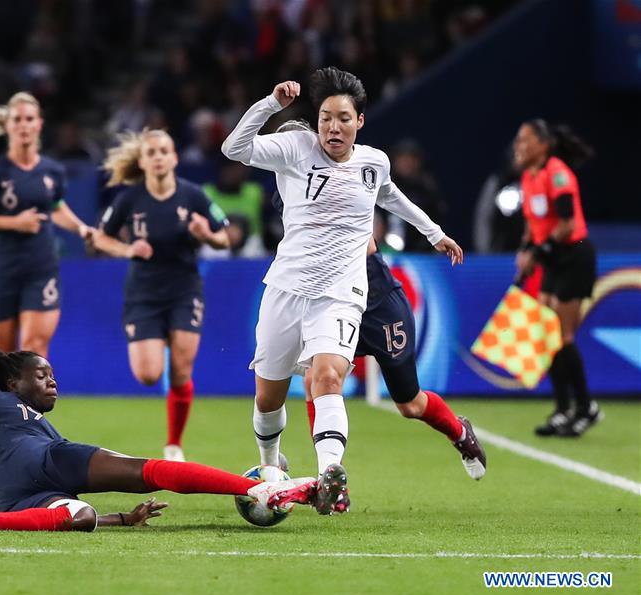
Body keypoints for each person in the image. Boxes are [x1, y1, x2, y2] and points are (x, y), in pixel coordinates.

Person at [0, 298, 313, 533]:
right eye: (42, 374)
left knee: (83, 516)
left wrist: (121, 520)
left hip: (11, 493)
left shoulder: (21, 415)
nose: (53, 380)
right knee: (146, 471)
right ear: (12, 381)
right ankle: (254, 488)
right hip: (44, 463)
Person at [221, 68, 463, 515]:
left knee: (328, 375)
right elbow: (233, 147)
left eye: (343, 118)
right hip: (286, 290)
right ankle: (271, 468)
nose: (333, 127)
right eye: (326, 117)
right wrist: (272, 104)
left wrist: (434, 234)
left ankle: (332, 471)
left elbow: (391, 196)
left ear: (360, 122)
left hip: (341, 293)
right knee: (267, 396)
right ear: (316, 120)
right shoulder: (295, 149)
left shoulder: (374, 163)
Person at [272, 120, 486, 482]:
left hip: (375, 299)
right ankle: (330, 476)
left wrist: (433, 233)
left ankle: (459, 433)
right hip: (331, 301)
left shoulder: (344, 171)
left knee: (409, 403)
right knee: (317, 379)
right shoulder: (285, 191)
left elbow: (389, 199)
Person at [94, 129, 230, 462]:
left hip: (184, 289)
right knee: (149, 374)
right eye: (151, 152)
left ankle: (173, 445)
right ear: (142, 161)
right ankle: (161, 337)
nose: (157, 157)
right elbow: (101, 238)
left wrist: (207, 235)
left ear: (174, 158)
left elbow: (225, 238)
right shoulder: (129, 198)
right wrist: (128, 249)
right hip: (144, 292)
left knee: (181, 371)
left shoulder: (193, 196)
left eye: (163, 151)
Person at [0, 92, 94, 357]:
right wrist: (15, 222)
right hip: (3, 268)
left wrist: (81, 228)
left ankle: (34, 400)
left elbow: (55, 208)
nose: (23, 124)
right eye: (18, 119)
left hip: (40, 266)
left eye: (29, 118)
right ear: (8, 125)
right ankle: (11, 400)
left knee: (34, 348)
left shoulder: (52, 171)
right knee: (4, 355)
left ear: (39, 124)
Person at [513, 119, 599, 437]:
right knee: (547, 336)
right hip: (552, 258)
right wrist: (525, 250)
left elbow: (566, 223)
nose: (518, 146)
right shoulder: (528, 176)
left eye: (524, 140)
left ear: (543, 144)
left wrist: (538, 251)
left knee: (563, 336)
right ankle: (563, 410)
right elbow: (531, 225)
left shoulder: (557, 173)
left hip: (574, 256)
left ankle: (586, 407)